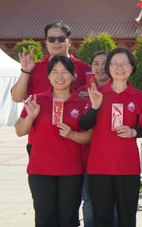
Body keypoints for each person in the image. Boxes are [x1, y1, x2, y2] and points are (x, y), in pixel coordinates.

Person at [15, 56, 92, 227]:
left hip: (71, 170)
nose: (60, 76)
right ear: (48, 76)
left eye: (65, 72)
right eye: (55, 72)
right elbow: (19, 131)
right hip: (40, 170)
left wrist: (72, 134)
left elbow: (90, 136)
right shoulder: (36, 99)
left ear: (73, 76)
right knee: (45, 217)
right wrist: (30, 116)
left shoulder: (82, 103)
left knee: (67, 218)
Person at [80, 47, 142, 227]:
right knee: (102, 216)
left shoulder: (139, 96)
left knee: (127, 215)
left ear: (132, 67)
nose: (120, 68)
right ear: (108, 68)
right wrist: (95, 106)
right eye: (114, 64)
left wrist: (134, 132)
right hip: (99, 166)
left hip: (128, 166)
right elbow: (84, 124)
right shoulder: (96, 92)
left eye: (125, 63)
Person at [11, 22, 92, 156]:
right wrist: (25, 71)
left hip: (74, 140)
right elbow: (17, 98)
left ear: (69, 41)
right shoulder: (34, 67)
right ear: (46, 42)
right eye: (51, 39)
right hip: (39, 139)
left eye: (61, 38)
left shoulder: (84, 68)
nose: (56, 42)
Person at [74, 51, 116, 227]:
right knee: (89, 202)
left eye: (104, 63)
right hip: (87, 157)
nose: (100, 67)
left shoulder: (118, 90)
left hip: (112, 157)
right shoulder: (81, 92)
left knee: (113, 203)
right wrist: (83, 103)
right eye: (96, 63)